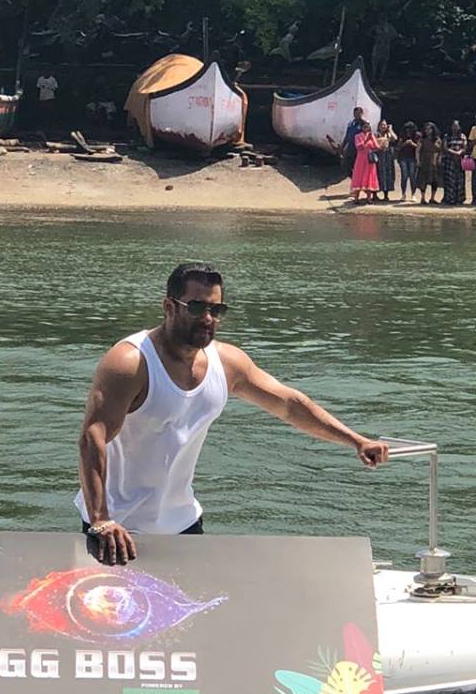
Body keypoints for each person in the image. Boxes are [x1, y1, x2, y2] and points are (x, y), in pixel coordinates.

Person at [76, 263, 389, 564]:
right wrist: (101, 519)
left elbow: (289, 405)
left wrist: (356, 440)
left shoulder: (227, 364)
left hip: (183, 522)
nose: (208, 318)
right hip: (119, 529)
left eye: (216, 310)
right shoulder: (131, 362)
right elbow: (93, 438)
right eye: (197, 308)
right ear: (169, 307)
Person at [351, 122, 380, 204]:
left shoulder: (371, 135)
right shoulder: (357, 136)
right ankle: (356, 198)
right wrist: (366, 140)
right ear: (362, 127)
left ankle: (369, 198)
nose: (366, 128)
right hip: (360, 159)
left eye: (367, 127)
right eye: (364, 126)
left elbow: (377, 147)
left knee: (369, 177)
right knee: (359, 177)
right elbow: (358, 146)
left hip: (369, 160)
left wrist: (372, 139)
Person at [441, 120, 467, 205]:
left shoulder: (462, 136)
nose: (455, 128)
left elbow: (465, 147)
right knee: (449, 180)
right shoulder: (447, 136)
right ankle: (449, 199)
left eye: (456, 126)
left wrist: (459, 152)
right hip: (449, 161)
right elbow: (445, 147)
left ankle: (459, 199)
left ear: (459, 127)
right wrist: (454, 152)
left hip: (460, 161)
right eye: (453, 126)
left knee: (460, 180)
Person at [415, 122, 442, 205]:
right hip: (424, 160)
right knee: (423, 180)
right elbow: (417, 151)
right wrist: (418, 161)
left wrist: (439, 159)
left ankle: (432, 198)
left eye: (429, 129)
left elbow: (440, 150)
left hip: (434, 161)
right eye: (426, 129)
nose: (428, 131)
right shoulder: (422, 139)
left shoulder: (437, 139)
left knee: (435, 180)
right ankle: (423, 198)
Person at [396, 122, 420, 202]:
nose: (408, 130)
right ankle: (403, 194)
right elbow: (398, 148)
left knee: (413, 177)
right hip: (403, 158)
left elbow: (420, 147)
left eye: (410, 129)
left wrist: (412, 144)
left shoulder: (417, 135)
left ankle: (413, 194)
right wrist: (405, 144)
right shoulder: (402, 135)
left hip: (413, 158)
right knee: (404, 176)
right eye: (407, 128)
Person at [375, 119, 397, 201]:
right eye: (381, 125)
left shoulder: (388, 134)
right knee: (377, 174)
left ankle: (386, 195)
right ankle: (375, 194)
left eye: (384, 125)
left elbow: (395, 138)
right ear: (378, 126)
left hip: (388, 157)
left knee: (388, 174)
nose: (383, 126)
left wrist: (390, 130)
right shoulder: (376, 134)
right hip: (379, 156)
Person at [341, 107, 367, 177]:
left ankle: (358, 179)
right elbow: (347, 136)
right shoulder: (351, 123)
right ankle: (353, 177)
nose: (356, 115)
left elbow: (367, 135)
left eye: (358, 113)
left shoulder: (364, 124)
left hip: (359, 149)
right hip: (350, 147)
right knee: (345, 164)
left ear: (362, 114)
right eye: (355, 113)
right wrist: (343, 146)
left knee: (358, 166)